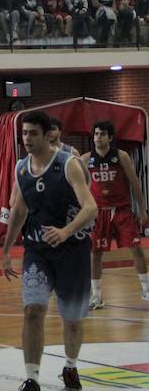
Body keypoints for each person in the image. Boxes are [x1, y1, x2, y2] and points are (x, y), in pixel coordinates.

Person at [1, 111, 97, 391]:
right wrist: (5, 251)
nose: (26, 139)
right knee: (32, 310)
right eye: (24, 134)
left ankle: (70, 366)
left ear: (48, 135)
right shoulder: (21, 168)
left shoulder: (69, 164)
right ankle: (32, 382)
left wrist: (66, 231)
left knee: (71, 319)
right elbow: (19, 210)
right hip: (37, 251)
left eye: (32, 133)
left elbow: (91, 208)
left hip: (73, 251)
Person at [82, 121, 149, 308]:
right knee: (95, 253)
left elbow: (135, 182)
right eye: (95, 134)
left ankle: (146, 290)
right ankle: (97, 296)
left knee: (136, 248)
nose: (97, 137)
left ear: (110, 137)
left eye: (102, 134)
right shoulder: (86, 159)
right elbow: (76, 186)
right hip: (98, 212)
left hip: (122, 210)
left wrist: (142, 209)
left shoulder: (121, 156)